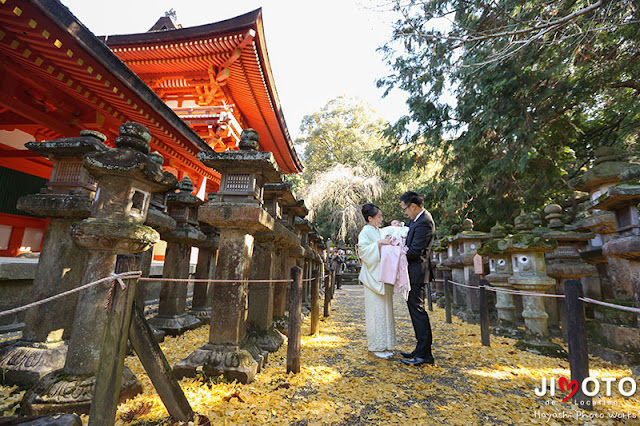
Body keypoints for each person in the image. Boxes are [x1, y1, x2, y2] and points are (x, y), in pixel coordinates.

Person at [399, 191, 436, 366]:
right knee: (415, 311)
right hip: (412, 272)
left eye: (405, 209)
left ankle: (425, 354)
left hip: (417, 272)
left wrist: (395, 254)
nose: (405, 212)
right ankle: (420, 349)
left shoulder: (424, 222)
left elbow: (415, 251)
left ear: (413, 206)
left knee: (418, 311)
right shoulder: (416, 220)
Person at [356, 203, 396, 359]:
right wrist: (378, 244)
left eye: (381, 216)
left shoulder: (379, 231)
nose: (381, 219)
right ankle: (375, 346)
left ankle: (385, 344)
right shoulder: (365, 232)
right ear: (370, 218)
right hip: (373, 276)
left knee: (385, 310)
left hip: (383, 274)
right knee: (375, 312)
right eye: (378, 217)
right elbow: (363, 252)